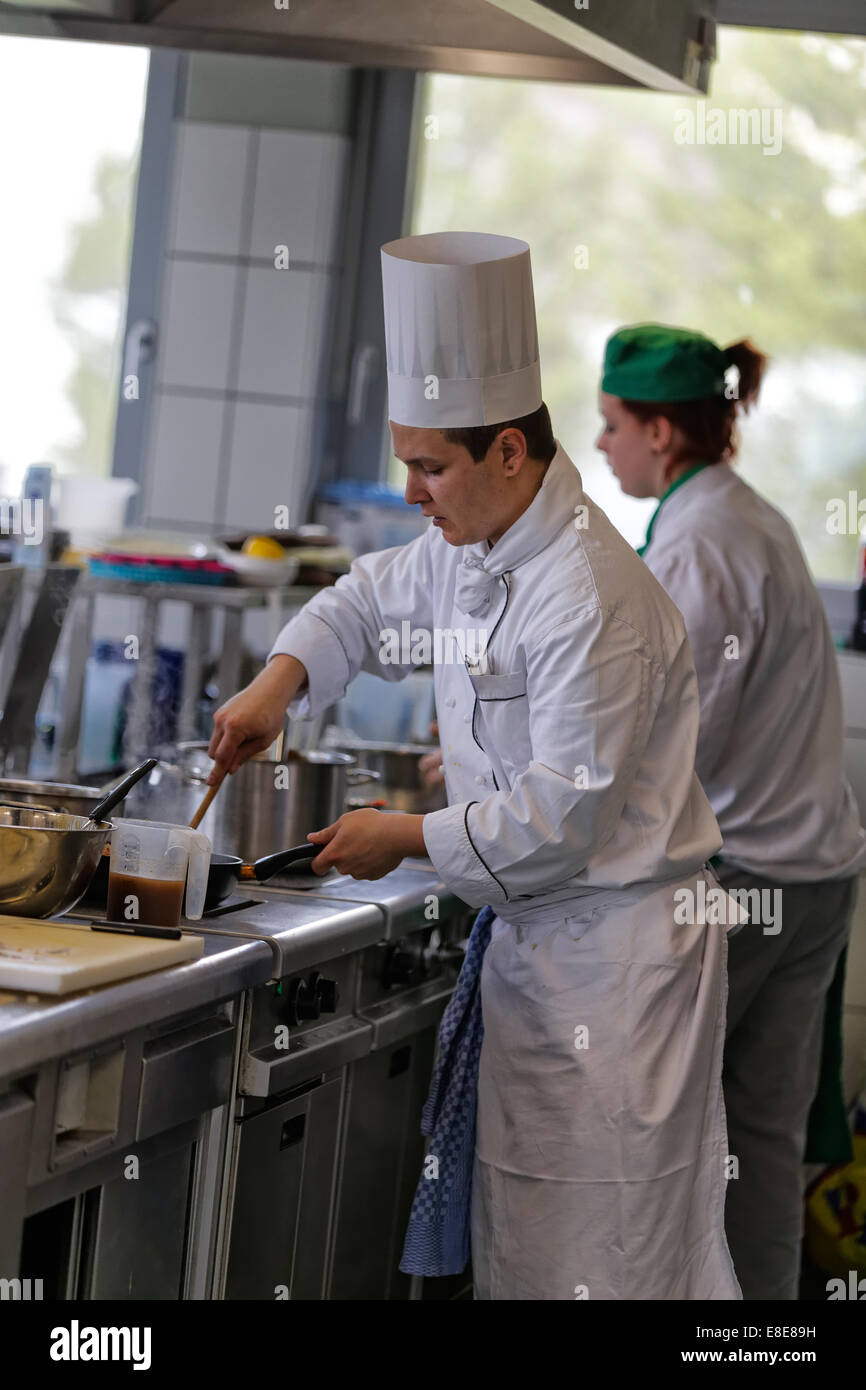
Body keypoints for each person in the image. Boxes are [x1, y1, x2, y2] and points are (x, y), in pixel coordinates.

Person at [208, 234, 741, 1300]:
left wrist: (400, 835)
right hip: (541, 963)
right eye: (407, 460)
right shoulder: (470, 544)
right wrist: (276, 684)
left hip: (614, 970)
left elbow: (561, 819)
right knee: (527, 1254)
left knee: (612, 1259)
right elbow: (362, 598)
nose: (413, 491)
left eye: (430, 465)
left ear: (508, 451)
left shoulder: (586, 593)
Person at [597, 322, 866, 1300]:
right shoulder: (744, 517)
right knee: (758, 1140)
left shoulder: (698, 545)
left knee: (660, 1133)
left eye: (611, 425)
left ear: (661, 433)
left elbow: (671, 742)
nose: (599, 446)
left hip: (746, 883)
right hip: (816, 874)